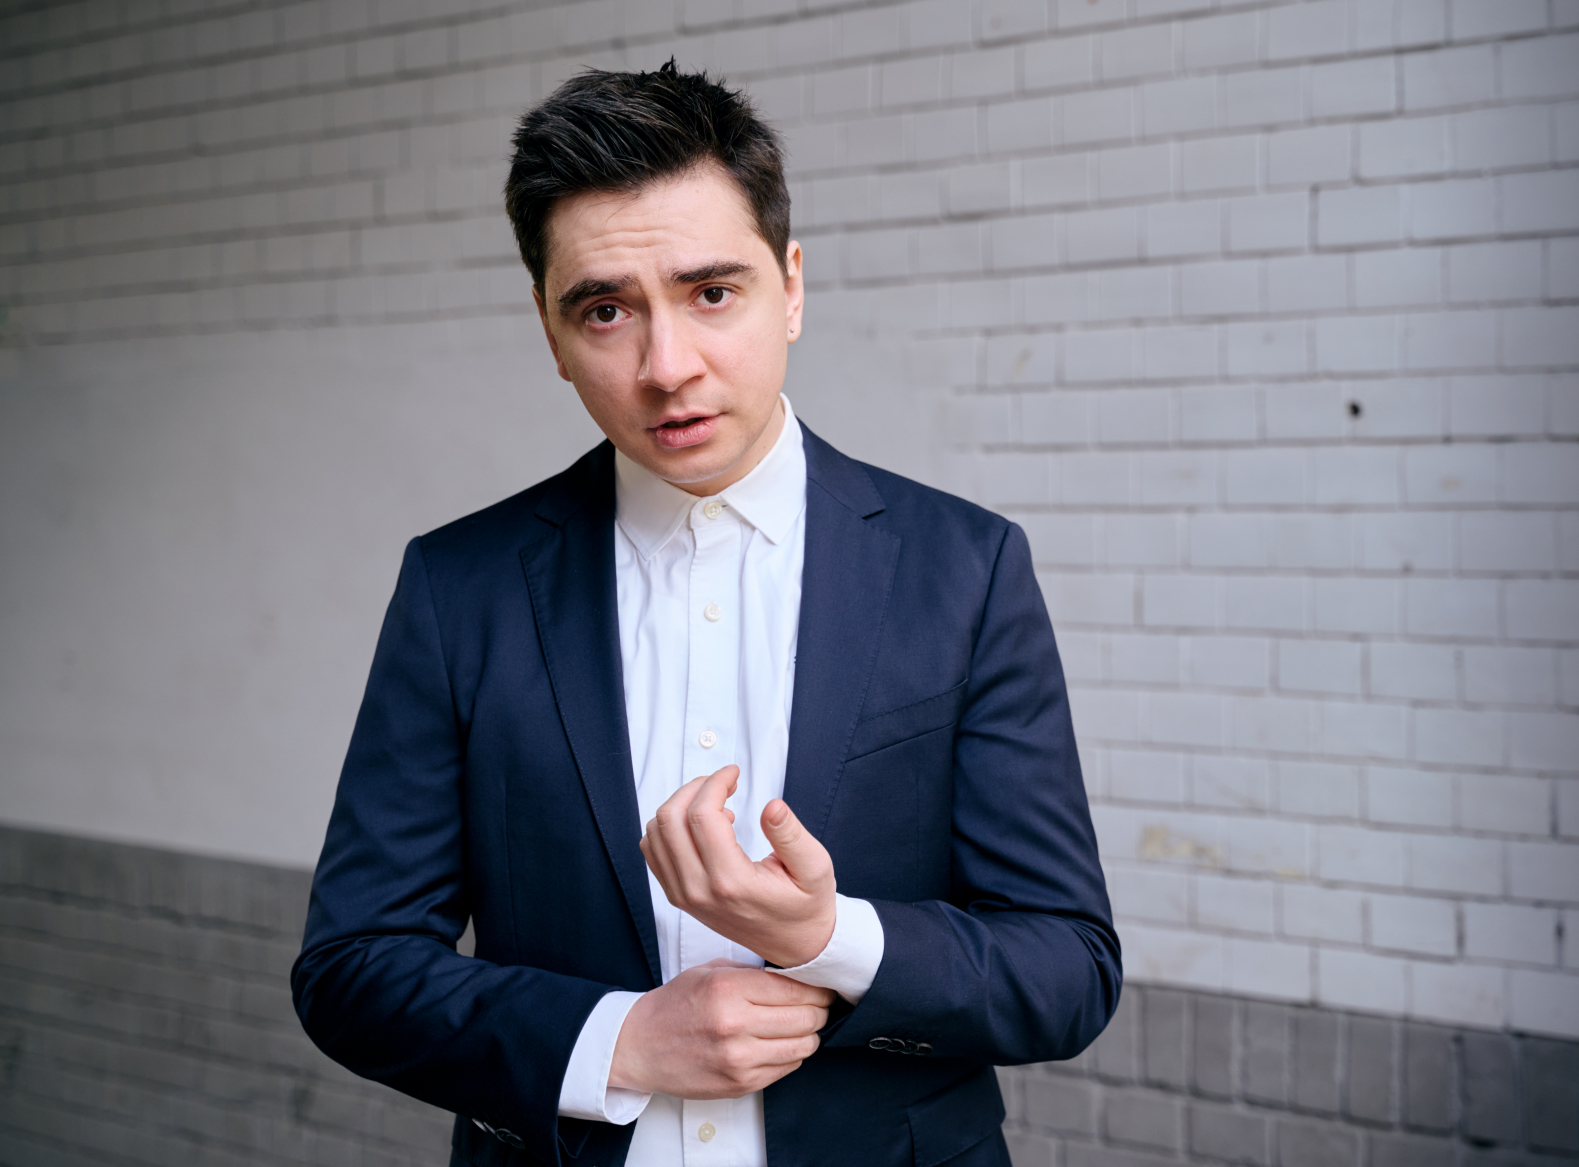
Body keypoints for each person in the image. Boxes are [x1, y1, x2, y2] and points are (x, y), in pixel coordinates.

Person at [291, 61, 1120, 1167]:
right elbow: (351, 965)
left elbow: (1067, 970)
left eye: (711, 292)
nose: (666, 366)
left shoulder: (963, 568)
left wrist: (830, 938)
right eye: (605, 311)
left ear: (792, 287)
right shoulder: (460, 588)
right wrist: (615, 1040)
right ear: (550, 333)